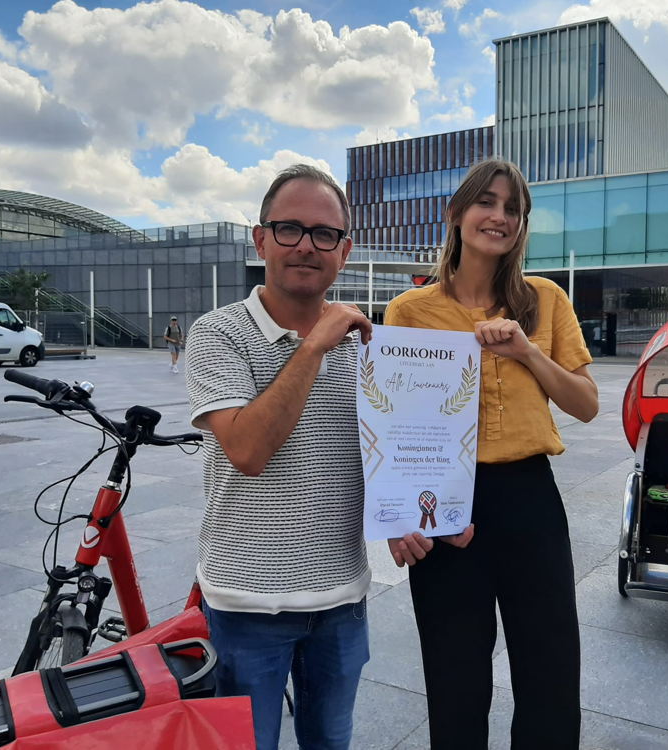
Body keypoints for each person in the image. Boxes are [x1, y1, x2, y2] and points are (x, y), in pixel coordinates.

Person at [185, 164, 432, 750]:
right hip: (248, 602)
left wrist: (404, 514)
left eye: (324, 234)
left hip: (342, 600)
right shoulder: (216, 334)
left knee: (330, 741)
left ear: (343, 252)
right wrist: (314, 345)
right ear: (260, 238)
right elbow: (248, 450)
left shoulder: (365, 348)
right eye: (289, 228)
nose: (306, 245)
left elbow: (379, 453)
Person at [383, 159, 598, 749]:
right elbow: (395, 424)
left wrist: (529, 353)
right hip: (447, 498)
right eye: (488, 202)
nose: (499, 217)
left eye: (513, 208)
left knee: (550, 665)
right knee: (454, 672)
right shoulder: (410, 311)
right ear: (455, 213)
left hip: (530, 496)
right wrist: (400, 517)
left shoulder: (546, 300)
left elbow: (586, 404)